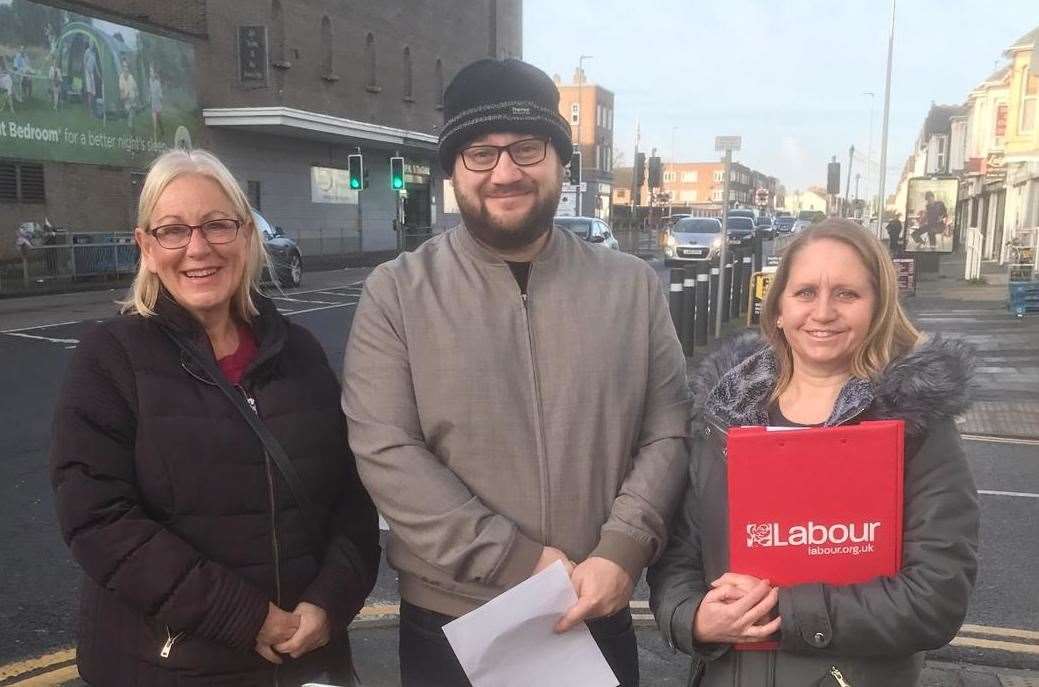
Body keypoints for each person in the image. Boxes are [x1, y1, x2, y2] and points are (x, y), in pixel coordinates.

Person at [342, 58, 690, 687]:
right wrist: (519, 561)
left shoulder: (632, 289)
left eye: (527, 148)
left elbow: (666, 431)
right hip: (452, 621)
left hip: (593, 600)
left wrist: (622, 549)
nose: (505, 172)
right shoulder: (396, 293)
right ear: (453, 172)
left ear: (561, 161)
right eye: (480, 153)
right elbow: (385, 450)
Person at [51, 148, 381, 686]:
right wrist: (246, 617)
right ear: (146, 247)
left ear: (247, 234)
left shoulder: (299, 353)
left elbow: (351, 495)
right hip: (170, 667)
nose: (197, 248)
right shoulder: (110, 359)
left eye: (217, 225)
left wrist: (329, 603)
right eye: (173, 231)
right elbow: (97, 519)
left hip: (308, 659)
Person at [647, 218, 979, 687]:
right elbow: (680, 554)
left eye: (846, 294)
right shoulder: (724, 417)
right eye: (805, 292)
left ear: (878, 308)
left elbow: (935, 598)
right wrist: (693, 618)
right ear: (778, 308)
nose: (822, 312)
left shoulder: (918, 428)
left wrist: (782, 611)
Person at [119, 57, 138, 130]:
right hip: (126, 100)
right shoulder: (121, 78)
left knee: (131, 116)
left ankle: (131, 129)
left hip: (133, 100)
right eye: (123, 66)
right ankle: (131, 129)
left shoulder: (131, 77)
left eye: (126, 66)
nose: (125, 68)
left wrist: (135, 94)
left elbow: (135, 89)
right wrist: (125, 96)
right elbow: (121, 93)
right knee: (129, 114)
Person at [149, 65, 164, 141]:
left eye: (151, 72)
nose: (150, 73)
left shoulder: (158, 82)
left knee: (158, 119)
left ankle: (162, 130)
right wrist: (149, 97)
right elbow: (149, 91)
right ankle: (155, 139)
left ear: (154, 73)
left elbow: (160, 93)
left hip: (158, 104)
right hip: (153, 104)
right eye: (150, 72)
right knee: (154, 123)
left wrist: (161, 98)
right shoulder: (149, 81)